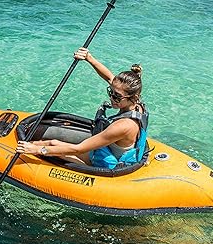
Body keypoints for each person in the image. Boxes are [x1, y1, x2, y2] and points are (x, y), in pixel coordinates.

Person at [15, 47, 149, 169]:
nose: (112, 98)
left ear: (133, 97)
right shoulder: (137, 104)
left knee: (51, 145)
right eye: (111, 92)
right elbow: (109, 77)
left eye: (117, 97)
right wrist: (89, 58)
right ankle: (27, 144)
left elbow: (78, 149)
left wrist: (37, 150)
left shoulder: (124, 126)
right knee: (53, 142)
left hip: (107, 163)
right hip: (114, 151)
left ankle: (25, 147)